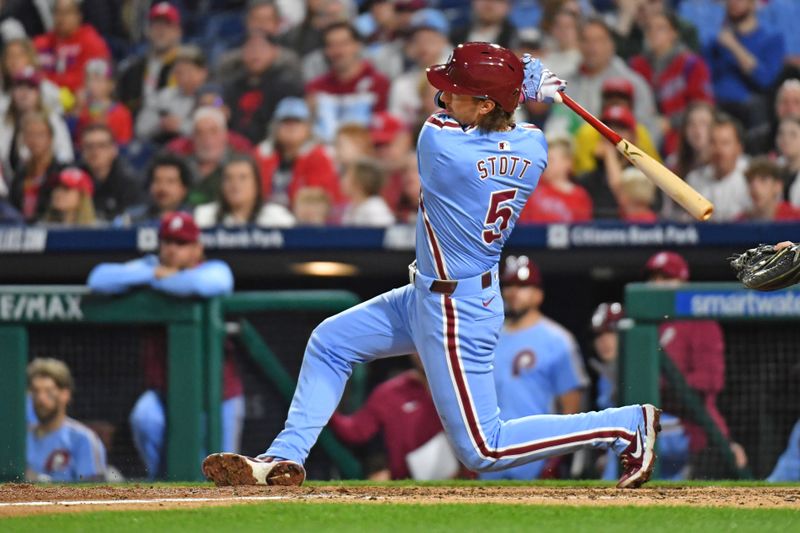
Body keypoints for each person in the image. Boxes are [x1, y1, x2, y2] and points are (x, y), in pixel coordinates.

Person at [202, 42, 661, 490]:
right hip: (431, 294)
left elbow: (443, 109)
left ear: (484, 106)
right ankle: (287, 455)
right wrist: (519, 87)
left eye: (461, 89)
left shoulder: (443, 150)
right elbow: (494, 116)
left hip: (458, 311)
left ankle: (624, 426)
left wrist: (521, 81)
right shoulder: (534, 146)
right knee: (331, 342)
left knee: (485, 448)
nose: (447, 91)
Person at [87, 212, 242, 479]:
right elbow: (99, 279)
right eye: (167, 242)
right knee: (144, 417)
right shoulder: (150, 266)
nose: (172, 249)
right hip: (164, 394)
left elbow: (210, 283)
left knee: (222, 474)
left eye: (181, 243)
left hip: (218, 396)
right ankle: (162, 483)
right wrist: (152, 273)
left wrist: (159, 279)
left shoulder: (213, 268)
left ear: (197, 248)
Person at [479, 256, 589, 480]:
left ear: (539, 294)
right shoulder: (487, 336)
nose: (513, 292)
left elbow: (572, 409)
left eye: (523, 286)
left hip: (536, 457)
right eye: (508, 285)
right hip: (489, 460)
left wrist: (556, 460)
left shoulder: (557, 340)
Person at [645, 251, 747, 478]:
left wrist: (661, 385)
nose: (659, 284)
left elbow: (710, 380)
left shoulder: (700, 321)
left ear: (683, 282)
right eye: (655, 278)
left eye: (666, 278)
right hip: (656, 431)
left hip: (698, 433)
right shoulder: (649, 324)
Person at [329, 354, 460, 480]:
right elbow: (355, 431)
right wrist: (324, 404)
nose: (423, 352)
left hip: (464, 479)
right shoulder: (389, 392)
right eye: (417, 346)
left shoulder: (463, 387)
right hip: (408, 485)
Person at [629, 11, 714, 156]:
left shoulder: (691, 64)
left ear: (673, 33)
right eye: (649, 28)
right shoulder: (637, 65)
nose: (653, 33)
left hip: (681, 134)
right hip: (645, 132)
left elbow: (704, 106)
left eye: (660, 28)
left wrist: (671, 121)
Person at [704, 0, 784, 130]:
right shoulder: (715, 42)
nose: (733, 3)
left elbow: (765, 80)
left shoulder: (772, 37)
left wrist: (734, 47)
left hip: (751, 109)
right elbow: (706, 79)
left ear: (752, 4)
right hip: (719, 108)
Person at [306, 22, 390, 143]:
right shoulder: (316, 87)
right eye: (331, 45)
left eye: (343, 44)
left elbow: (384, 126)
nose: (338, 51)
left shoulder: (378, 83)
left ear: (357, 45)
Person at [26, 358, 107, 482]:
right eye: (36, 391)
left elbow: (95, 494)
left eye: (48, 391)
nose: (40, 399)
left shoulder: (84, 439)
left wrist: (39, 480)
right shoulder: (20, 437)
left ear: (65, 394)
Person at [254, 97, 341, 208]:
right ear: (275, 127)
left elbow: (319, 201)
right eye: (286, 122)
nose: (291, 127)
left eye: (297, 121)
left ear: (308, 127)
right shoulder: (262, 154)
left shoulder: (319, 157)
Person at [224, 32, 303, 145]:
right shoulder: (233, 85)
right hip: (235, 147)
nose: (255, 53)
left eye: (261, 48)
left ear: (275, 51)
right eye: (250, 48)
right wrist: (217, 103)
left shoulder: (287, 86)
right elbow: (220, 102)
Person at [571, 78, 660, 176]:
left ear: (630, 103)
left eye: (622, 97)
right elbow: (584, 172)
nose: (615, 101)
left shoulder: (640, 131)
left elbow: (655, 173)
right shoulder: (587, 131)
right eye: (610, 97)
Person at [116, 2, 183, 118]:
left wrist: (217, 102)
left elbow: (213, 100)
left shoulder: (187, 67)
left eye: (167, 24)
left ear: (178, 31)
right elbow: (122, 103)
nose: (161, 30)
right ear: (148, 30)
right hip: (136, 130)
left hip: (176, 129)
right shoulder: (133, 69)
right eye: (156, 24)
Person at [0, 67, 73, 169]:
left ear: (38, 93)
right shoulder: (3, 120)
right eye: (19, 86)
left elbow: (65, 156)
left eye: (30, 87)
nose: (24, 92)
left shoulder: (52, 120)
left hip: (46, 179)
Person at [194, 155, 295, 228]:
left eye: (243, 178)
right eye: (228, 178)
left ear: (256, 184)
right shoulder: (204, 216)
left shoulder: (277, 218)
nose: (235, 184)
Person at [33, 0, 111, 94]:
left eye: (67, 12)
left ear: (79, 16)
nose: (61, 18)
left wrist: (49, 81)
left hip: (80, 100)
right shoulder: (40, 43)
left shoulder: (91, 42)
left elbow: (93, 80)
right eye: (57, 12)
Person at [135, 46, 209, 144]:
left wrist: (181, 126)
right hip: (165, 147)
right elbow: (141, 129)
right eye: (179, 72)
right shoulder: (163, 96)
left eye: (189, 71)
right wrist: (160, 124)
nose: (184, 77)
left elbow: (219, 109)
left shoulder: (214, 95)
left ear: (203, 72)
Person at [684, 113, 751, 222]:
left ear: (739, 148)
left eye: (725, 143)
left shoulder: (751, 178)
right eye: (713, 143)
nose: (718, 150)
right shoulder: (694, 179)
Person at [518, 136, 592, 223]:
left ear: (568, 162)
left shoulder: (580, 196)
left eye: (550, 160)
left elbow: (582, 230)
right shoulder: (532, 188)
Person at [9, 112, 65, 222]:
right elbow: (12, 203)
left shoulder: (61, 171)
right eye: (29, 134)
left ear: (50, 138)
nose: (34, 140)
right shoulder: (21, 170)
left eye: (40, 134)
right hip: (21, 227)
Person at [79, 124, 141, 221]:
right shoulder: (75, 181)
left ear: (114, 150)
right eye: (89, 146)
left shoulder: (128, 183)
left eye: (101, 146)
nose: (95, 152)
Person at [116, 153, 191, 226]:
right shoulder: (131, 219)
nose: (163, 187)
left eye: (170, 181)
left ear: (183, 189)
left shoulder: (194, 220)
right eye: (157, 181)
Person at [74, 59, 132, 145]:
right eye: (89, 80)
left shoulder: (122, 114)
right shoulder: (82, 110)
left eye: (98, 80)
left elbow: (124, 145)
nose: (92, 85)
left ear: (111, 85)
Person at [737, 156, 800, 222]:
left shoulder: (795, 218)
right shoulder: (740, 222)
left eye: (763, 180)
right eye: (750, 182)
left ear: (778, 186)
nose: (755, 187)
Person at [340, 157, 395, 227]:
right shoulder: (351, 207)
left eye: (347, 176)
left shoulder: (375, 208)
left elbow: (384, 233)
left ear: (359, 182)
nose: (342, 180)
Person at [450, 0, 517, 50]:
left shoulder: (515, 39)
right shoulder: (455, 36)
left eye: (498, 1)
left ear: (509, 6)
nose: (489, 5)